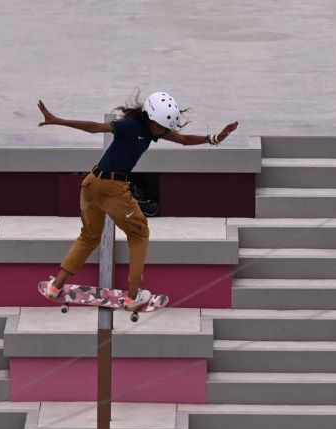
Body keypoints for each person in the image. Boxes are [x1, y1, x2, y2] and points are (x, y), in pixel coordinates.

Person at [37, 92, 239, 310]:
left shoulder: (151, 129)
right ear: (152, 120)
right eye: (163, 127)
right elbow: (95, 127)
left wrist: (214, 139)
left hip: (91, 185)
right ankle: (133, 297)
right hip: (111, 188)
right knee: (139, 233)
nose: (165, 131)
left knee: (89, 236)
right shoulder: (131, 126)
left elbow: (182, 139)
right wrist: (57, 120)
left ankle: (55, 287)